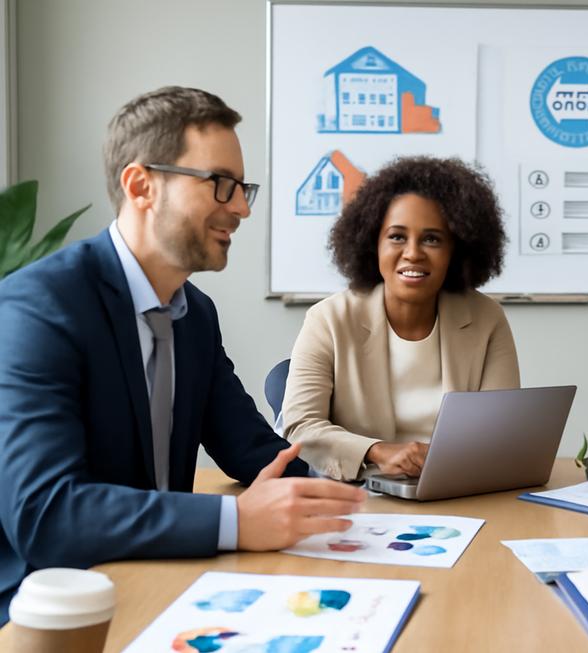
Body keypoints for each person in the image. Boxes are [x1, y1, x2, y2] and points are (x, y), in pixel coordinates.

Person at [0, 86, 366, 626]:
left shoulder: (195, 314)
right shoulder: (39, 307)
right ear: (141, 185)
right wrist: (236, 521)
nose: (241, 208)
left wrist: (357, 495)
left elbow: (251, 450)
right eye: (221, 184)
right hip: (50, 610)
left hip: (162, 580)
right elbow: (46, 514)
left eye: (242, 188)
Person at [281, 156, 520, 481]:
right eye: (396, 236)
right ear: (373, 243)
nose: (413, 253)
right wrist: (378, 451)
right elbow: (301, 427)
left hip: (459, 487)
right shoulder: (329, 319)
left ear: (456, 250)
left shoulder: (486, 319)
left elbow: (503, 432)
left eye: (432, 239)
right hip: (358, 492)